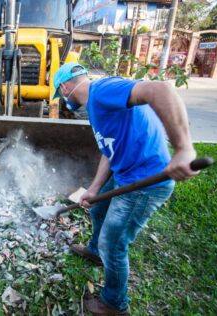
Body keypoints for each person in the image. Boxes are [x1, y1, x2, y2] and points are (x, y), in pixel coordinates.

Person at [52, 63, 198, 315]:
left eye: (60, 93)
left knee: (114, 243)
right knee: (97, 210)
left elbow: (161, 89)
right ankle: (95, 252)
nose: (63, 99)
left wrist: (184, 148)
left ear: (64, 87)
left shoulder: (101, 91)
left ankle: (114, 304)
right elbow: (110, 151)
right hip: (124, 174)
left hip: (145, 182)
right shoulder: (96, 108)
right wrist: (94, 188)